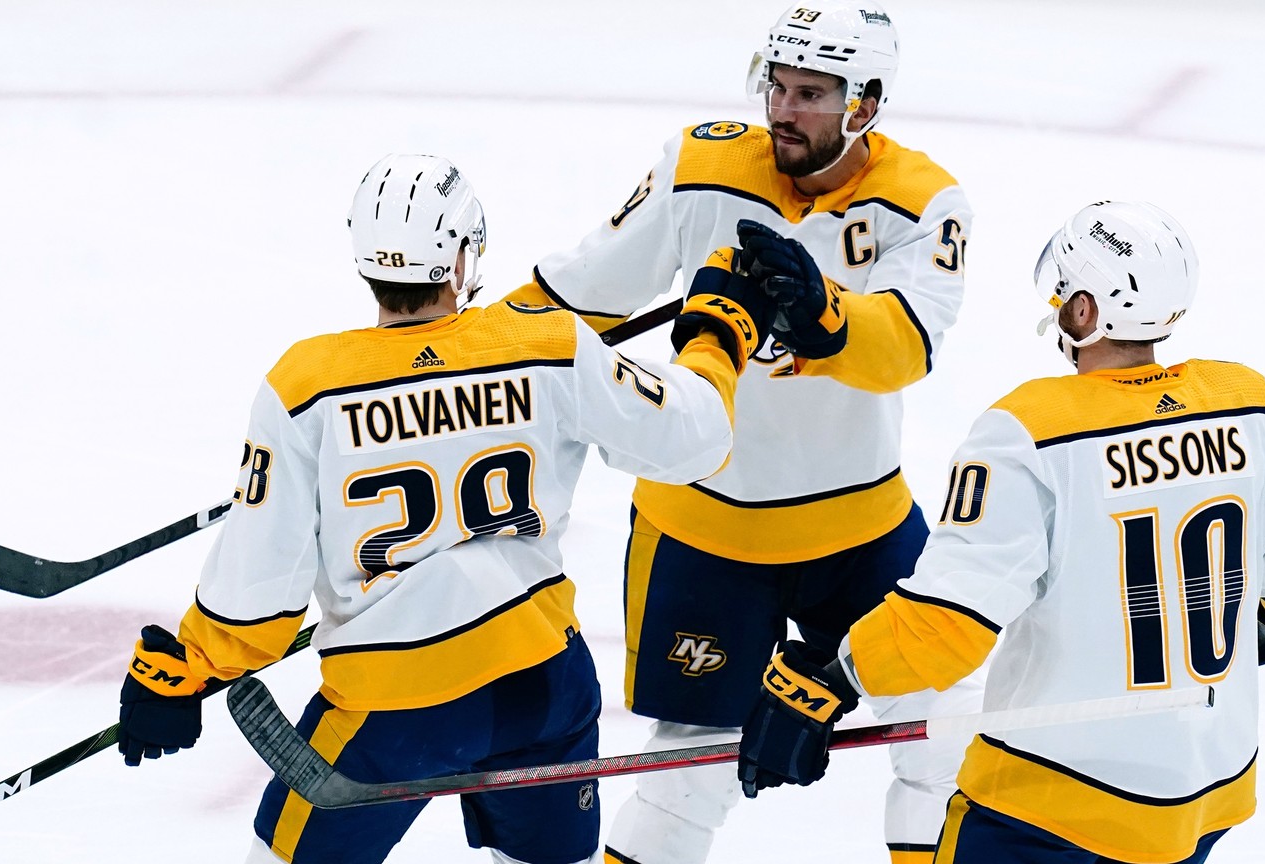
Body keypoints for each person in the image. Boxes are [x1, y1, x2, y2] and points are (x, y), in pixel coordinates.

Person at [113, 152, 779, 864]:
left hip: (396, 711)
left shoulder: (306, 385)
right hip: (545, 687)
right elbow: (692, 439)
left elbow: (260, 583)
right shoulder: (546, 342)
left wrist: (190, 667)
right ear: (461, 260)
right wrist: (717, 336)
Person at [500, 3, 980, 862]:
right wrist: (463, 356)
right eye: (778, 87)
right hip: (702, 531)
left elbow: (907, 345)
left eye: (810, 95)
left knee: (942, 739)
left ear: (863, 103)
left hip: (860, 530)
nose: (783, 111)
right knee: (687, 776)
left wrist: (824, 311)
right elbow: (577, 291)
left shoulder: (924, 201)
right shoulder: (702, 166)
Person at [738, 201, 1265, 863]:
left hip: (1052, 806)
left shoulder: (1033, 429)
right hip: (1206, 793)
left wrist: (829, 681)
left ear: (1084, 311)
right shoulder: (1245, 403)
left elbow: (949, 625)